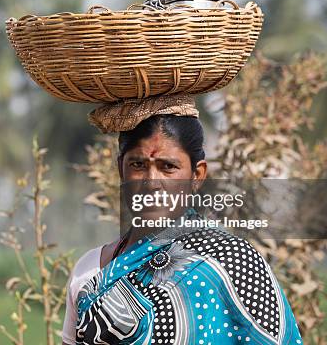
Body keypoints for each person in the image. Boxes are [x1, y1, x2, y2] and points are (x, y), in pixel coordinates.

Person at [61, 95, 303, 345]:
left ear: (197, 175)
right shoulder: (88, 271)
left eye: (168, 167)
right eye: (138, 164)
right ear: (120, 168)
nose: (151, 182)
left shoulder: (232, 262)